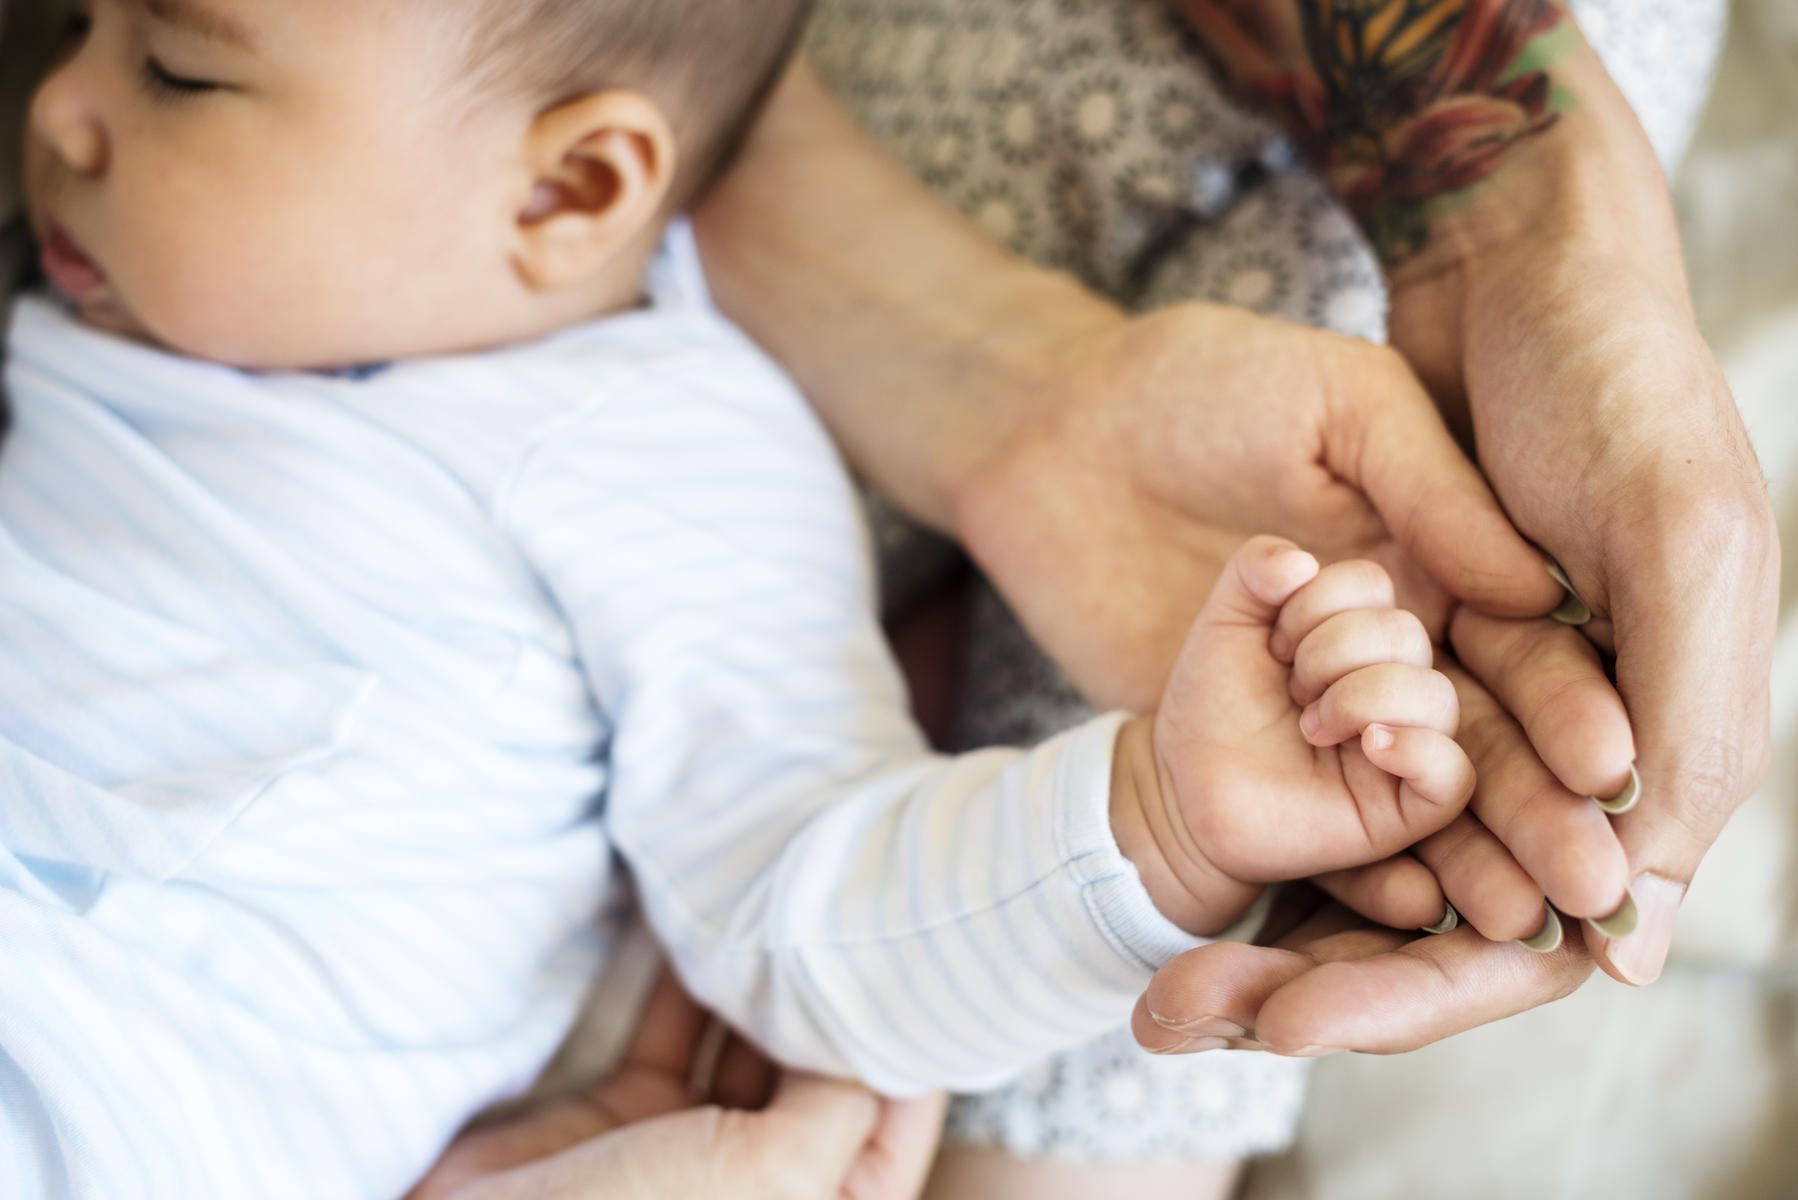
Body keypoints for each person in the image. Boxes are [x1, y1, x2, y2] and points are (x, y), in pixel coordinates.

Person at [0, 1, 1570, 1197]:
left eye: (178, 71)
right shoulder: (122, 310)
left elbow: (813, 908)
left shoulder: (645, 440)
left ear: (567, 192)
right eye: (81, 27)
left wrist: (1160, 827)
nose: (61, 105)